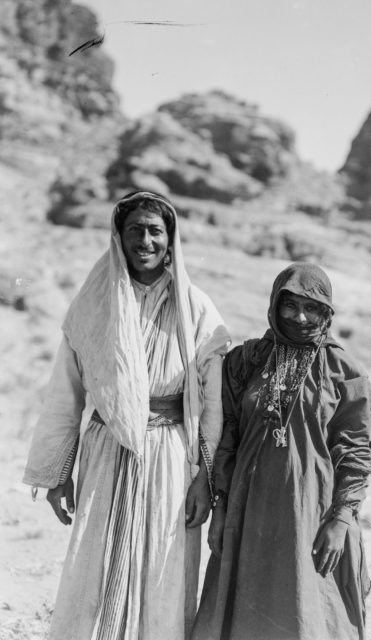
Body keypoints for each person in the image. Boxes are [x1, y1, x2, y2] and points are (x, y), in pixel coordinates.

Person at [23, 191, 230, 640]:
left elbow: (214, 401)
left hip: (172, 460)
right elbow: (67, 394)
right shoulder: (92, 305)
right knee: (95, 572)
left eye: (155, 230)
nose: (145, 240)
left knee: (163, 571)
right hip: (105, 453)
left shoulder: (196, 308)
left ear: (171, 239)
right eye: (134, 229)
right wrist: (58, 473)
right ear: (117, 237)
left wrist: (204, 479)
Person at [192, 262, 371, 640]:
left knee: (304, 609)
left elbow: (356, 450)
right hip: (248, 509)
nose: (300, 317)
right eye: (289, 306)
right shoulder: (247, 360)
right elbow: (228, 437)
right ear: (274, 306)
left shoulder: (344, 370)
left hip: (310, 511)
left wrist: (340, 521)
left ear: (327, 312)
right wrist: (221, 508)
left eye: (312, 308)